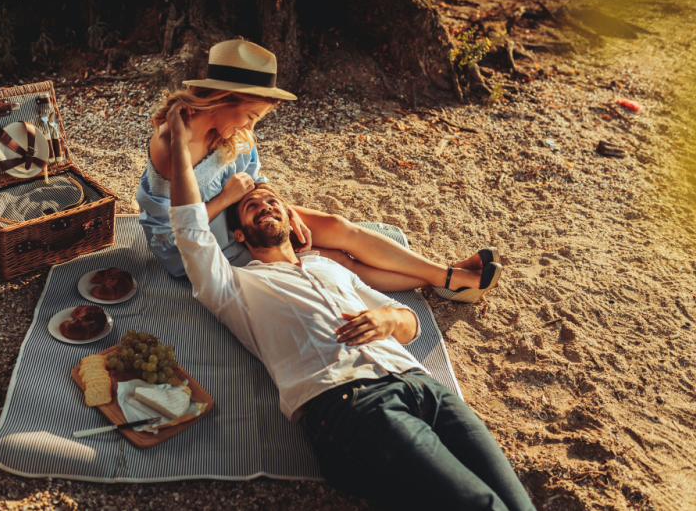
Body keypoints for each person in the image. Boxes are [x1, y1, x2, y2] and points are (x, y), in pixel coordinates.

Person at [165, 100, 534, 510]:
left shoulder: (329, 267)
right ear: (238, 235)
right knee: (480, 504)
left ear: (291, 220)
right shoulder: (233, 286)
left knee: (517, 502)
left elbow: (410, 323)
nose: (266, 206)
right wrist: (180, 144)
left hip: (426, 388)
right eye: (253, 207)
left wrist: (388, 316)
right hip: (349, 403)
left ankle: (447, 277)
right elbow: (189, 227)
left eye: (273, 203)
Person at [136, 39, 499, 301]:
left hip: (240, 211)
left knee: (338, 227)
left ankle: (447, 276)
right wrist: (228, 197)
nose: (250, 129)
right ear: (225, 98)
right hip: (199, 245)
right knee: (332, 259)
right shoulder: (172, 144)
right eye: (249, 116)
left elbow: (256, 178)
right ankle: (450, 282)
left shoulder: (232, 129)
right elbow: (174, 235)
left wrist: (281, 207)